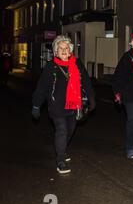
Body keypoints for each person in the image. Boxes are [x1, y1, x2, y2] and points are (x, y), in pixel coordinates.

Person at [32, 36, 95, 174]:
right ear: (56, 51)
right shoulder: (51, 67)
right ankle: (60, 160)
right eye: (61, 48)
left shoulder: (77, 64)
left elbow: (86, 81)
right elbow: (41, 87)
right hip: (56, 105)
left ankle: (62, 149)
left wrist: (91, 98)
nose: (64, 50)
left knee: (71, 130)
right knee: (62, 130)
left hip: (73, 105)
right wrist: (36, 105)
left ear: (70, 50)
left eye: (66, 48)